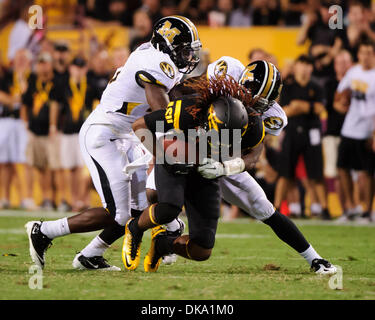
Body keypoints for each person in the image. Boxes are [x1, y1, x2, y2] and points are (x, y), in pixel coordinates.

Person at [25, 15, 202, 271]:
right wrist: (172, 145)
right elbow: (163, 114)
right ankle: (44, 231)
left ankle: (90, 256)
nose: (188, 57)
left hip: (127, 133)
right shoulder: (155, 63)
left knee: (139, 207)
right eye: (184, 50)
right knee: (118, 214)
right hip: (103, 133)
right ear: (166, 46)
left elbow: (171, 97)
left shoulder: (154, 55)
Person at [148, 57, 337, 274]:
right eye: (255, 99)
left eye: (264, 103)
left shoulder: (274, 116)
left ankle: (315, 259)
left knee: (264, 208)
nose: (257, 107)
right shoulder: (226, 72)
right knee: (153, 193)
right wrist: (176, 128)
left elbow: (253, 156)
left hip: (222, 157)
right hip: (189, 141)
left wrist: (226, 168)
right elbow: (183, 92)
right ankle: (168, 228)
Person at [123, 76, 251, 272]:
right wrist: (162, 155)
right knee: (169, 208)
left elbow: (253, 155)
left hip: (207, 169)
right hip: (179, 157)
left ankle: (162, 244)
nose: (221, 138)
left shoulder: (248, 121)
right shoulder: (185, 111)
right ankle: (135, 228)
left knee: (202, 249)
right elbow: (139, 126)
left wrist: (227, 167)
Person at [274, 55, 330, 220]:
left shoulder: (317, 87)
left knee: (316, 173)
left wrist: (299, 106)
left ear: (311, 68)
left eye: (308, 65)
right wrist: (308, 107)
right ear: (296, 67)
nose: (305, 68)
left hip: (312, 133)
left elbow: (320, 109)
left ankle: (324, 209)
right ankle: (276, 207)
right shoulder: (288, 88)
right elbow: (285, 111)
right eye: (302, 64)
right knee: (285, 173)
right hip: (292, 132)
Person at [49, 57, 100, 212]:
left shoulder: (91, 85)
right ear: (71, 68)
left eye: (81, 67)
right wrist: (53, 125)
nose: (78, 70)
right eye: (76, 67)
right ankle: (73, 199)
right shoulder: (63, 84)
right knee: (69, 167)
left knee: (82, 168)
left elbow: (98, 106)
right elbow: (55, 106)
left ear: (85, 68)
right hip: (67, 130)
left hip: (84, 132)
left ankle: (83, 200)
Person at [334, 39, 375, 221]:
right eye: (362, 52)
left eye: (369, 53)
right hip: (349, 128)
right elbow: (340, 94)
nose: (365, 56)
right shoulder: (353, 72)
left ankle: (367, 210)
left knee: (366, 172)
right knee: (342, 168)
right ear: (358, 55)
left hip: (368, 129)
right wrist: (341, 104)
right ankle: (350, 208)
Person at [20, 52, 60, 210]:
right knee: (30, 165)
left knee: (47, 167)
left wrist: (53, 126)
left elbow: (56, 106)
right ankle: (28, 197)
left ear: (50, 65)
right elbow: (25, 103)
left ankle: (47, 198)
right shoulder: (32, 81)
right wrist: (24, 124)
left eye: (45, 63)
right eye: (40, 63)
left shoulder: (56, 83)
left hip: (47, 132)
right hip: (33, 130)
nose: (43, 66)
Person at [0, 49, 35, 210]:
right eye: (18, 58)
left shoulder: (33, 78)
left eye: (24, 58)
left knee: (25, 160)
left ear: (29, 61)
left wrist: (21, 81)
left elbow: (28, 99)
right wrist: (16, 99)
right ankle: (5, 197)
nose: (20, 61)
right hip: (6, 120)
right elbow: (4, 97)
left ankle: (27, 197)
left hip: (24, 122)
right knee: (4, 161)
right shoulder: (7, 76)